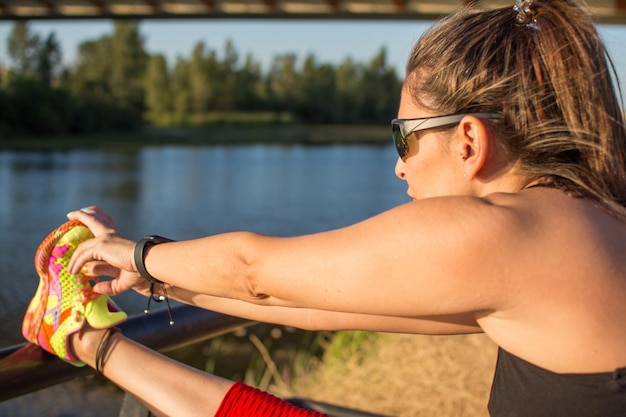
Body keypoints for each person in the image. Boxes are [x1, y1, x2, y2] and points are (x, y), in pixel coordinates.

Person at [21, 0, 626, 415]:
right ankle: (86, 342)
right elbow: (310, 305)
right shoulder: (588, 219)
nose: (399, 164)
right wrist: (155, 282)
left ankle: (79, 342)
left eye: (403, 137)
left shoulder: (503, 233)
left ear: (469, 140)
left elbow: (254, 271)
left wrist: (136, 252)